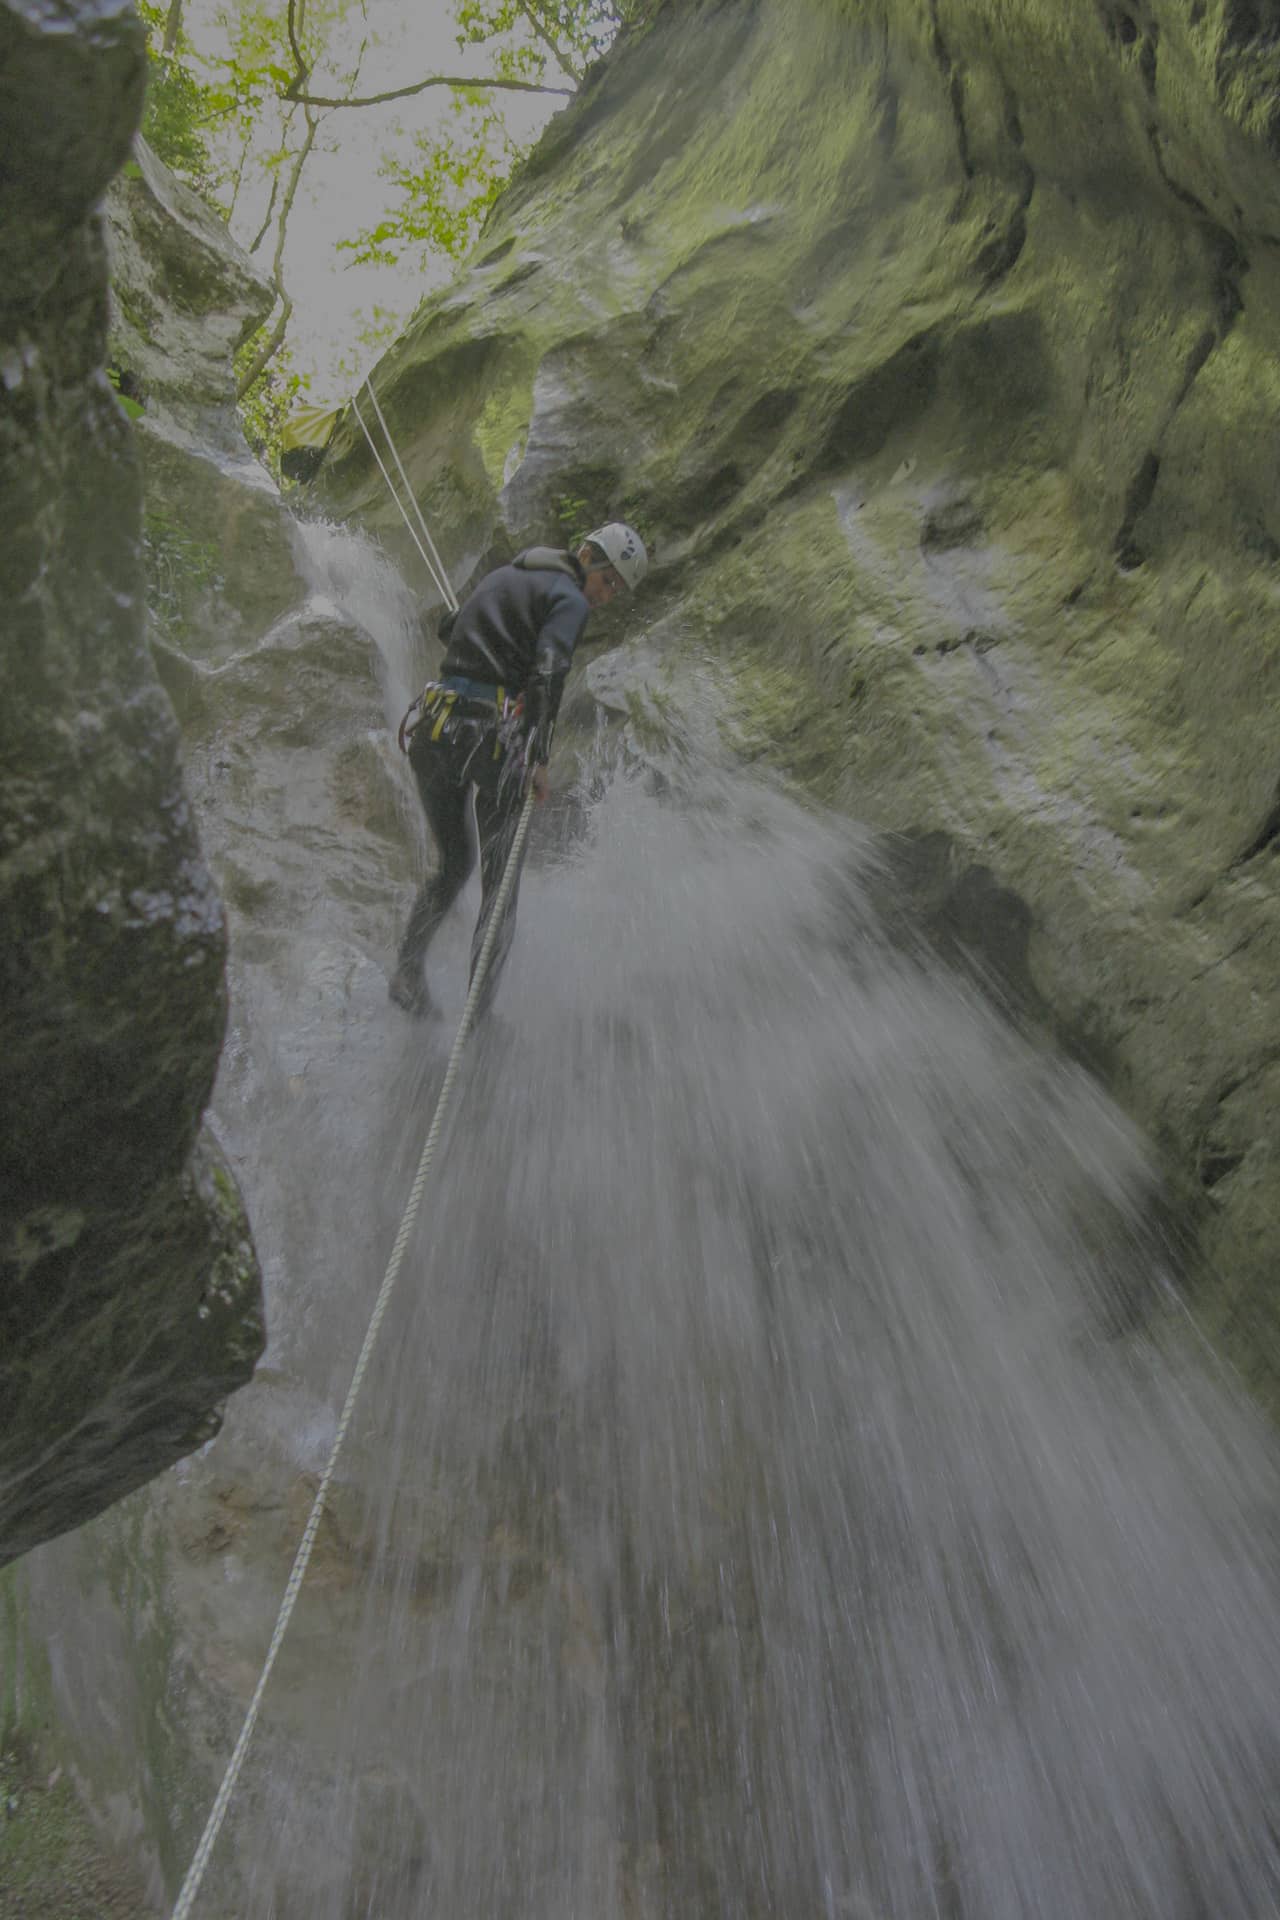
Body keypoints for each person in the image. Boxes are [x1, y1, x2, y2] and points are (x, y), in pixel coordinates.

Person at [389, 522, 648, 1019]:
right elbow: (548, 671)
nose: (608, 595)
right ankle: (478, 1022)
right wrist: (539, 757)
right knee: (500, 890)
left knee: (455, 864)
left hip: (435, 732)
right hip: (487, 739)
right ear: (587, 556)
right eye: (609, 580)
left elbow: (453, 628)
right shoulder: (568, 599)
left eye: (617, 589)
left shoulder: (503, 576)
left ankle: (407, 972)